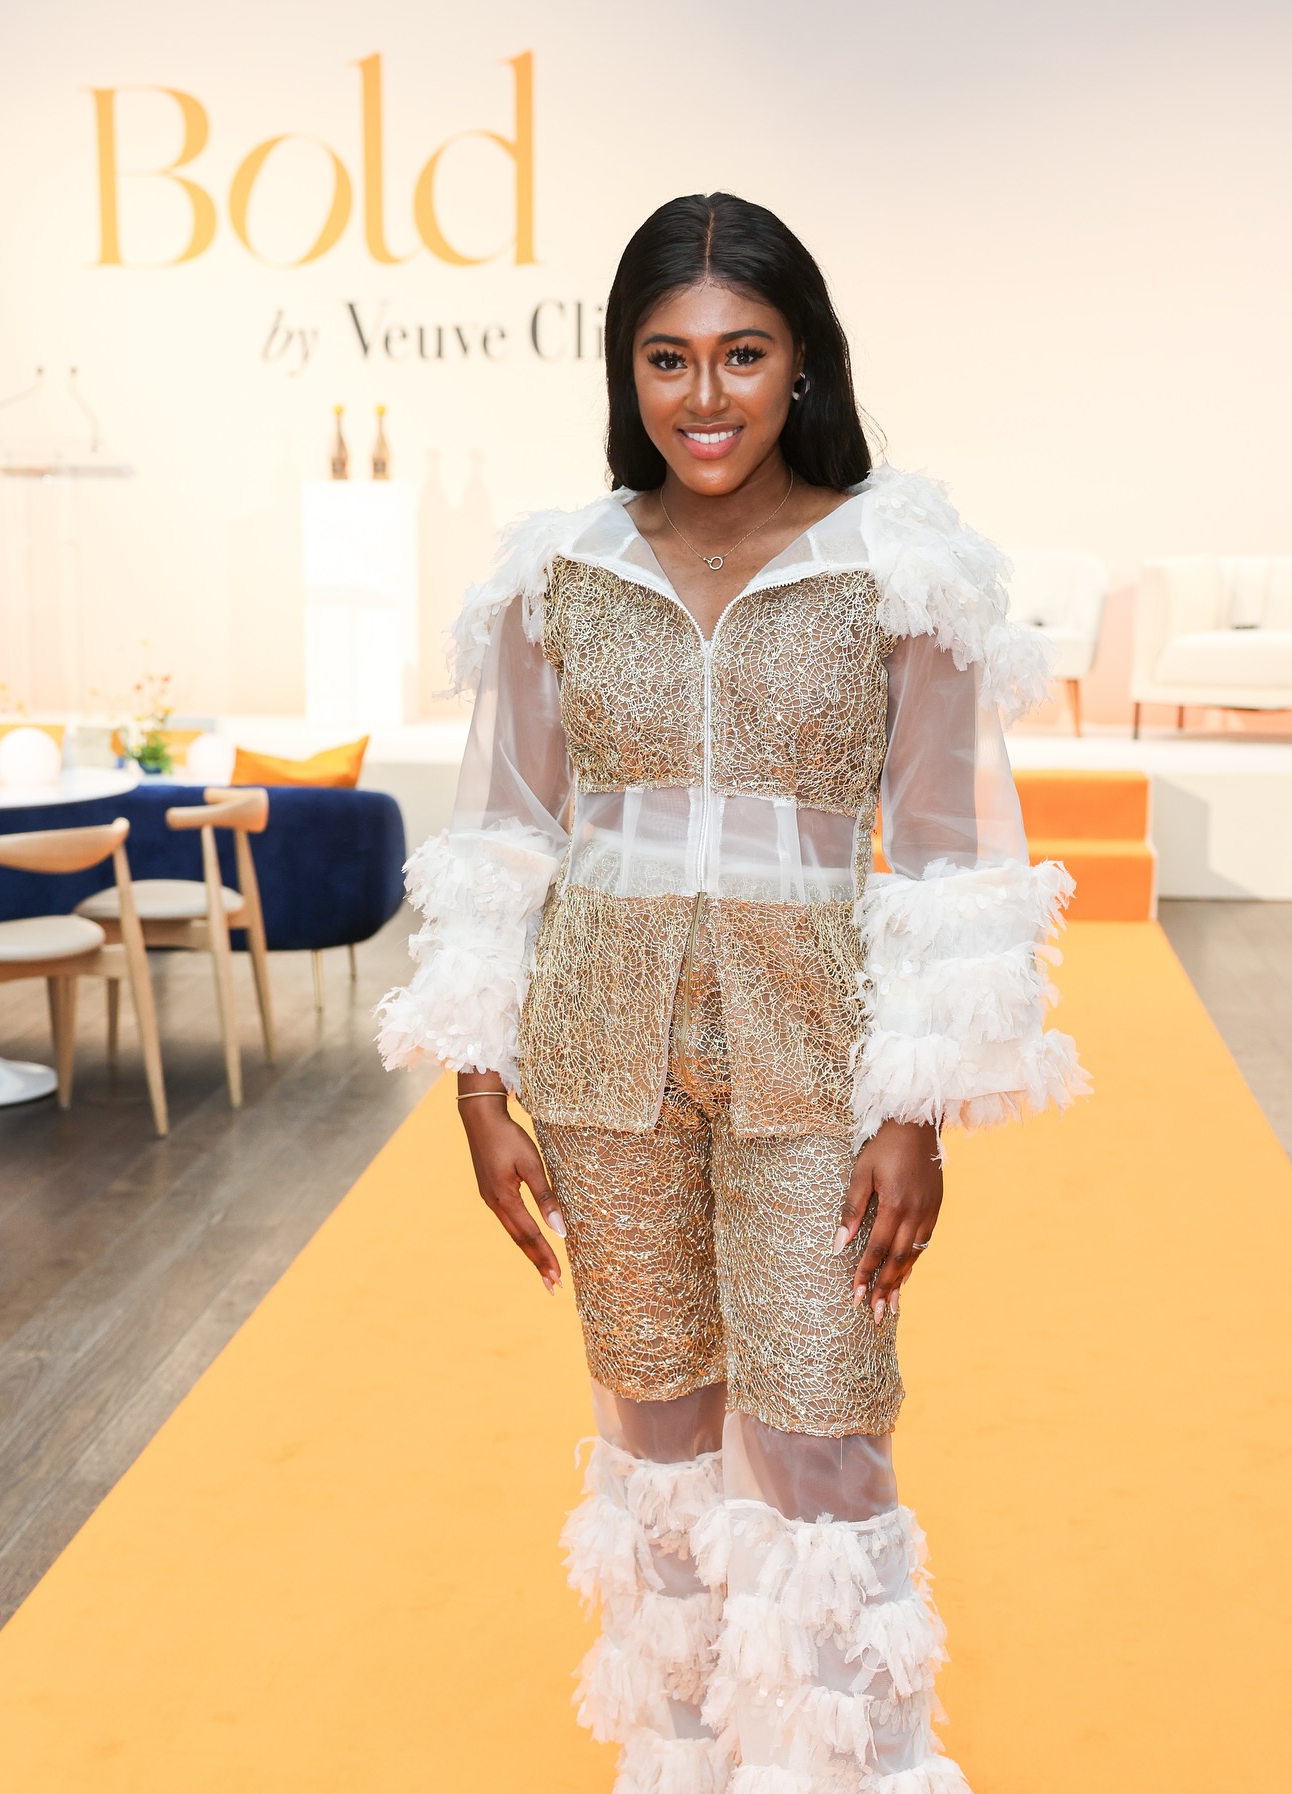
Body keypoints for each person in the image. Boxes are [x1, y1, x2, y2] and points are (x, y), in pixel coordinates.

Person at [379, 191, 1086, 1794]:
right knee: (661, 1437)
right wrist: (481, 1088)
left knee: (827, 1431)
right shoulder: (552, 573)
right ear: (625, 372)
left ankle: (844, 1767)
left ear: (802, 362)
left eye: (743, 355)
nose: (706, 399)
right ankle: (689, 1764)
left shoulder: (900, 563)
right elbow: (501, 835)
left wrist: (916, 1110)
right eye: (668, 358)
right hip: (599, 1057)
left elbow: (961, 854)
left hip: (819, 1058)